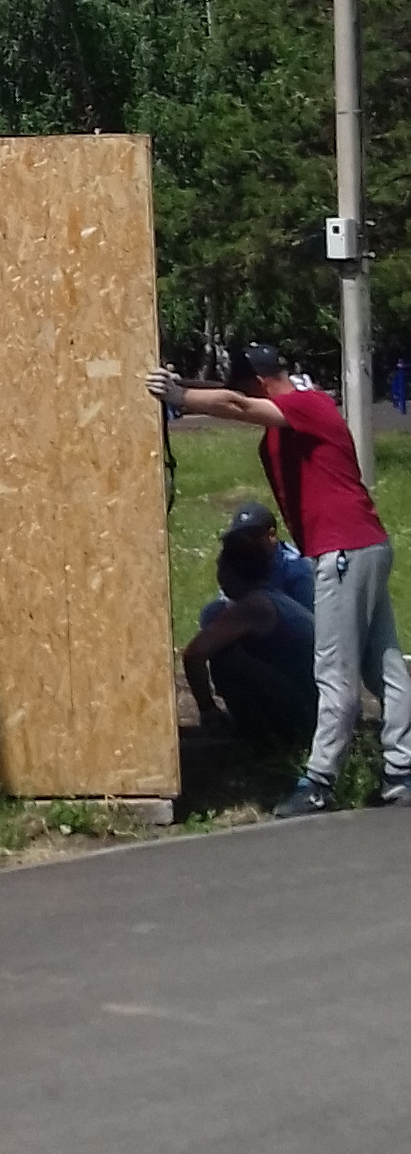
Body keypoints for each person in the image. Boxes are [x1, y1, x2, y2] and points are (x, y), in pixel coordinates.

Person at [148, 343, 411, 815]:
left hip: (342, 549)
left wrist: (180, 397)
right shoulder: (289, 410)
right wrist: (185, 387)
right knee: (384, 665)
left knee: (334, 672)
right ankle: (402, 770)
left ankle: (320, 781)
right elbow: (232, 396)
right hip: (364, 542)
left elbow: (237, 404)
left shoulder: (305, 405)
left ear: (259, 382)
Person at [181, 507, 318, 747]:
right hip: (312, 702)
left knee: (225, 658)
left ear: (229, 572)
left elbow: (194, 654)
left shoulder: (256, 606)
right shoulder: (268, 596)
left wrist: (207, 709)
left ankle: (262, 737)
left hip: (307, 713)